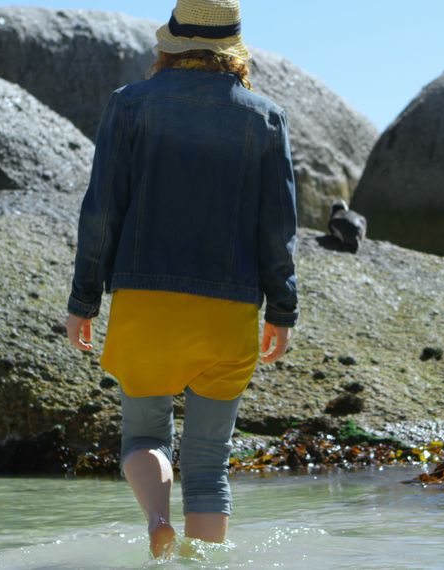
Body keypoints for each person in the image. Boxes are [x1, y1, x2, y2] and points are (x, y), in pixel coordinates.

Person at [63, 0, 298, 559]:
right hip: (230, 309)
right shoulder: (265, 118)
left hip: (147, 304)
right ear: (232, 51)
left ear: (171, 44)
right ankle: (203, 560)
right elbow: (278, 230)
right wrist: (282, 312)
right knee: (209, 461)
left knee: (144, 437)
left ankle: (156, 524)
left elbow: (102, 212)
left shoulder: (129, 105)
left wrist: (84, 300)